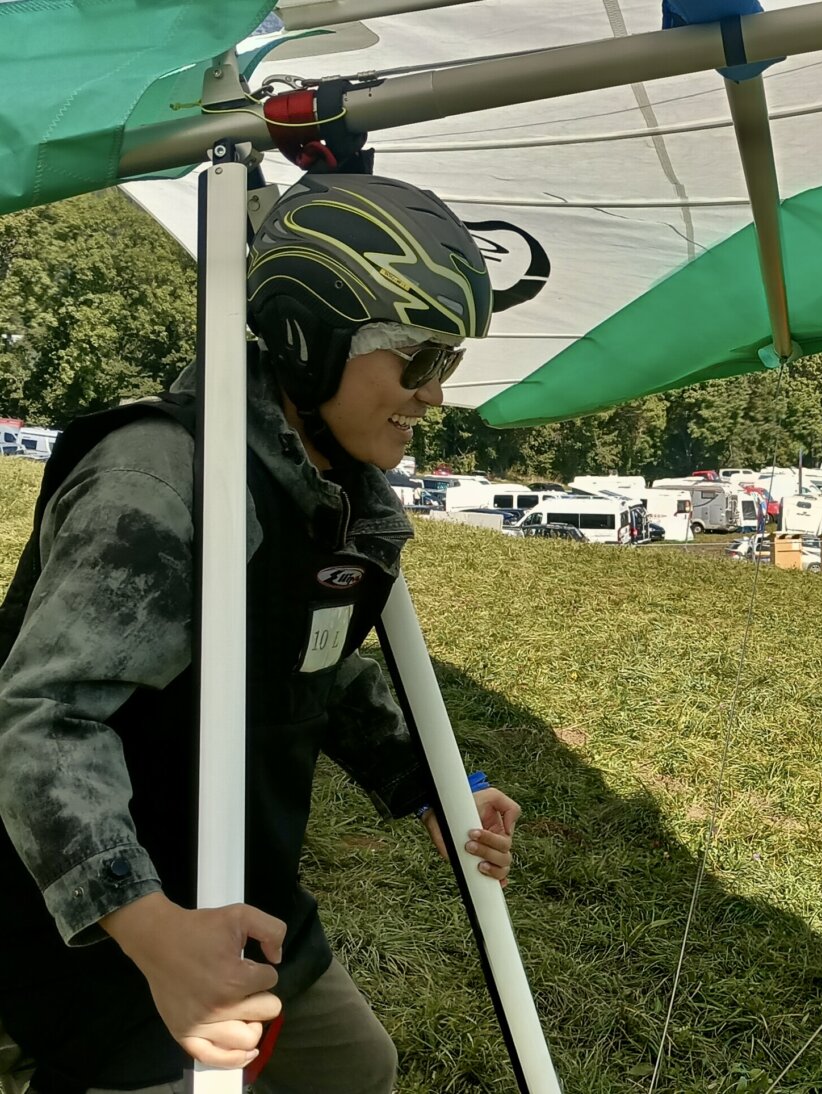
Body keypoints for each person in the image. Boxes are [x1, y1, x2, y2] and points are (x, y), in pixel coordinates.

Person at [0, 173, 520, 1093]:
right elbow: (44, 719)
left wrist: (434, 783)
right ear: (312, 339)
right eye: (418, 358)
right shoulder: (161, 479)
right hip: (101, 914)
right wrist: (152, 931)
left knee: (355, 1070)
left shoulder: (333, 492)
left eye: (447, 360)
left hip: (242, 883)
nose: (436, 395)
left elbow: (315, 659)